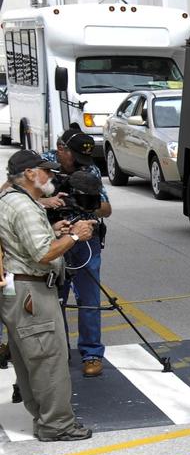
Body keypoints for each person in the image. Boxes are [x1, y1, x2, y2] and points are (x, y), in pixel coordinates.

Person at [0, 150, 95, 441]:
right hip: (32, 291)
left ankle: (44, 419)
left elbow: (23, 241)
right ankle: (57, 425)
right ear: (29, 174)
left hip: (18, 291)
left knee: (30, 359)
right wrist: (75, 236)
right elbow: (42, 254)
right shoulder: (26, 207)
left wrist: (53, 231)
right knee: (49, 358)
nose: (51, 176)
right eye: (46, 171)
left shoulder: (10, 199)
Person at [43, 128, 109, 378]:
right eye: (76, 158)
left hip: (84, 240)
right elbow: (13, 195)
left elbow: (107, 209)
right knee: (53, 298)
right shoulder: (42, 166)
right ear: (61, 150)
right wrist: (46, 202)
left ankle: (92, 353)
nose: (81, 164)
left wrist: (87, 203)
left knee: (89, 298)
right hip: (53, 238)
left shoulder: (89, 169)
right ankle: (58, 351)